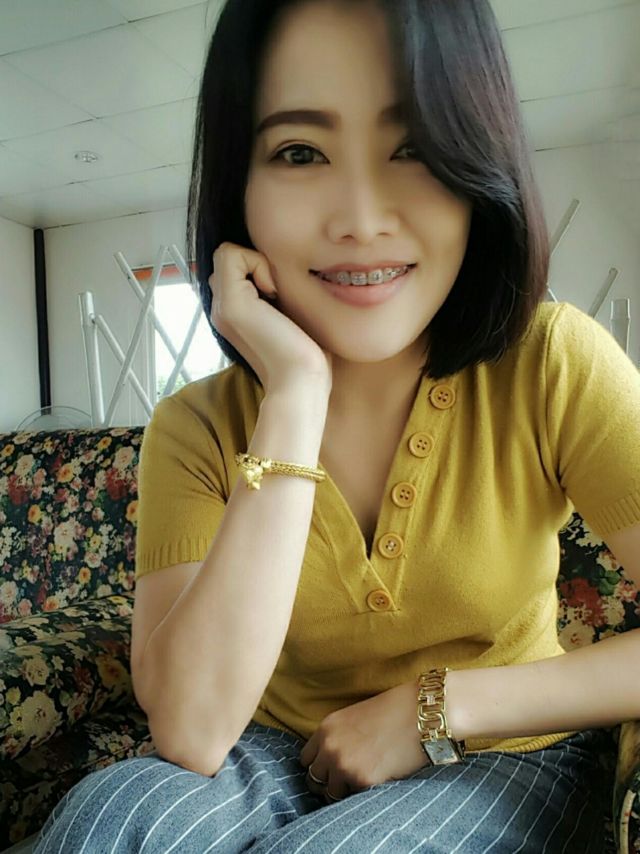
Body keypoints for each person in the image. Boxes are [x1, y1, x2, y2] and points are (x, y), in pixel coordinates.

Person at [34, 0, 640, 851]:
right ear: (240, 190)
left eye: (415, 148)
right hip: (281, 753)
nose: (360, 217)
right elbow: (193, 730)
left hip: (505, 752)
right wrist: (294, 392)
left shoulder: (552, 361)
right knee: (112, 817)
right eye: (299, 152)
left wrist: (435, 707)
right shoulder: (193, 426)